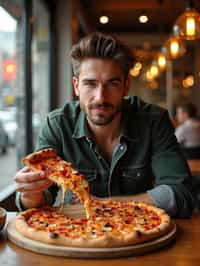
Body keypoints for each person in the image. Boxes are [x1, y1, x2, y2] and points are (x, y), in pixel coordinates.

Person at [14, 32, 194, 218]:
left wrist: (104, 204)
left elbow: (182, 194)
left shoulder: (154, 120)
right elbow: (40, 200)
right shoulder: (58, 124)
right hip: (76, 233)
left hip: (141, 233)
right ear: (76, 86)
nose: (100, 97)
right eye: (90, 84)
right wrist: (31, 194)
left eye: (112, 84)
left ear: (126, 86)